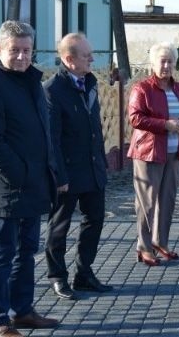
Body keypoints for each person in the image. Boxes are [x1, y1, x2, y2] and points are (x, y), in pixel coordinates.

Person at [0, 20, 59, 337]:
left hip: (33, 185)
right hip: (7, 189)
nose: (22, 57)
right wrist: (19, 175)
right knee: (1, 255)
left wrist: (52, 172)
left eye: (26, 50)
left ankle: (22, 311)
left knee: (27, 252)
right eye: (14, 51)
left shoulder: (32, 82)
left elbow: (44, 134)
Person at [44, 33, 112, 300]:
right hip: (67, 173)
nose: (92, 59)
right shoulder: (52, 91)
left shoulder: (91, 83)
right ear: (69, 59)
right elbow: (52, 139)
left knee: (94, 220)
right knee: (59, 226)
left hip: (93, 168)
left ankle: (84, 274)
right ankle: (58, 277)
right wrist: (59, 175)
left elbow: (94, 126)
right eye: (86, 56)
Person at [127, 42, 179, 265]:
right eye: (162, 61)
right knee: (147, 203)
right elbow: (135, 118)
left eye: (170, 61)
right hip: (148, 153)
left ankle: (160, 242)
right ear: (153, 63)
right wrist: (164, 124)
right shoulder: (142, 88)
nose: (166, 65)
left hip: (174, 154)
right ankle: (144, 247)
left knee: (168, 200)